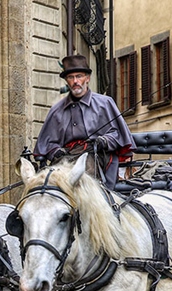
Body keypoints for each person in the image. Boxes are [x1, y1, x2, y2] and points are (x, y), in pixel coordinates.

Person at [34, 55, 134, 190]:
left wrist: (103, 141)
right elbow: (47, 143)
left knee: (86, 171)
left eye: (79, 76)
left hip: (98, 156)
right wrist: (55, 151)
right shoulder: (56, 110)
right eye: (71, 77)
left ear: (87, 78)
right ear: (66, 81)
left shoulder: (105, 103)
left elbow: (117, 134)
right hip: (65, 159)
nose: (75, 81)